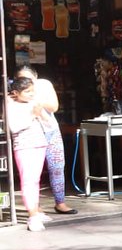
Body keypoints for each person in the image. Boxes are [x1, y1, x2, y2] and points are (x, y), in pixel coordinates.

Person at [17, 66, 75, 215]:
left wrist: (37, 99)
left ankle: (60, 202)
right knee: (33, 172)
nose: (25, 82)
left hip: (50, 130)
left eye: (28, 79)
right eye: (21, 79)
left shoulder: (44, 85)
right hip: (30, 133)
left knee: (57, 166)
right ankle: (36, 206)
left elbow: (54, 107)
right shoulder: (16, 92)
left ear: (35, 78)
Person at [6, 76, 50, 231]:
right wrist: (33, 115)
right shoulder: (11, 106)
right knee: (28, 181)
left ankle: (35, 211)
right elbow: (14, 127)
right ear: (16, 93)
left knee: (35, 181)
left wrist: (40, 113)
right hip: (25, 146)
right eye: (27, 91)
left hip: (39, 143)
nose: (31, 94)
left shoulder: (33, 103)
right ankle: (32, 216)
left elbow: (48, 123)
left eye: (32, 91)